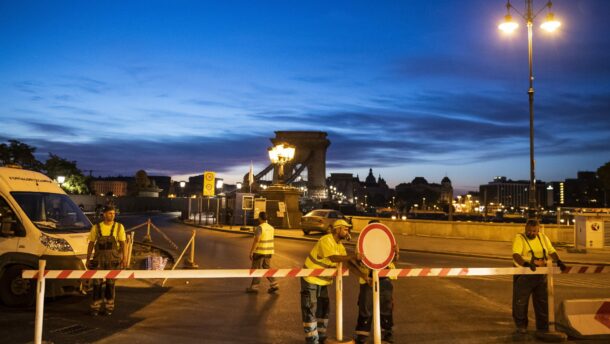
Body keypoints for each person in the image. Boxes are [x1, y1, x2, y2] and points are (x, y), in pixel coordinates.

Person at [300, 219, 358, 344]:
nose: (348, 231)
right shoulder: (326, 240)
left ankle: (320, 336)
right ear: (337, 229)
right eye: (345, 229)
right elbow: (333, 257)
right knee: (310, 308)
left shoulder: (339, 246)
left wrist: (364, 275)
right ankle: (312, 339)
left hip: (323, 281)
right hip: (310, 278)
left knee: (324, 309)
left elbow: (349, 262)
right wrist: (353, 255)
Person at [512, 219, 567, 335]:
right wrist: (525, 264)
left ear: (538, 230)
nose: (531, 233)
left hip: (541, 275)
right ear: (525, 229)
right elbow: (516, 254)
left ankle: (542, 327)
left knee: (542, 302)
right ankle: (521, 326)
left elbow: (551, 251)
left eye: (534, 231)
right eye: (529, 231)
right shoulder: (520, 238)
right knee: (520, 302)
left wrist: (559, 261)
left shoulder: (543, 237)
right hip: (524, 275)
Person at [352, 220, 398, 344]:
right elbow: (356, 260)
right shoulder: (363, 242)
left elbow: (393, 259)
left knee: (386, 307)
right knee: (366, 308)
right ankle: (362, 336)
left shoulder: (384, 240)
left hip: (385, 279)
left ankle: (387, 334)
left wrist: (396, 252)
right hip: (368, 279)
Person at [86, 205, 127, 316]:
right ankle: (95, 307)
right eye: (110, 213)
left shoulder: (119, 227)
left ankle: (109, 307)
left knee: (110, 283)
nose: (112, 216)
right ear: (104, 214)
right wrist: (88, 258)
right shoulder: (96, 227)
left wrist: (125, 258)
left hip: (113, 260)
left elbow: (123, 243)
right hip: (98, 260)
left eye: (114, 214)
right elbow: (91, 243)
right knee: (97, 284)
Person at [246, 211, 279, 294]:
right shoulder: (271, 227)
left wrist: (251, 251)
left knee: (256, 268)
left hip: (259, 252)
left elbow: (257, 240)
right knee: (266, 267)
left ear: (260, 218)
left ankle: (254, 287)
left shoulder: (260, 228)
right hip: (269, 251)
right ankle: (274, 284)